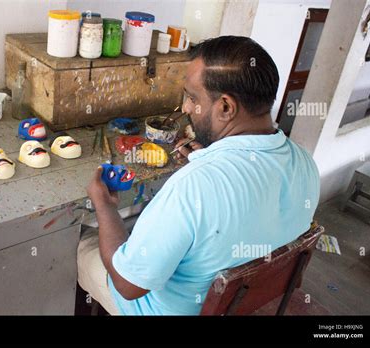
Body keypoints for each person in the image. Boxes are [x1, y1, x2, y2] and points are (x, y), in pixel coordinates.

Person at [78, 36, 320, 315]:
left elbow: (128, 285)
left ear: (226, 107)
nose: (186, 109)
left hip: (157, 308)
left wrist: (105, 205)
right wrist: (215, 154)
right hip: (240, 303)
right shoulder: (306, 163)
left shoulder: (194, 186)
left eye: (193, 98)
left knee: (86, 242)